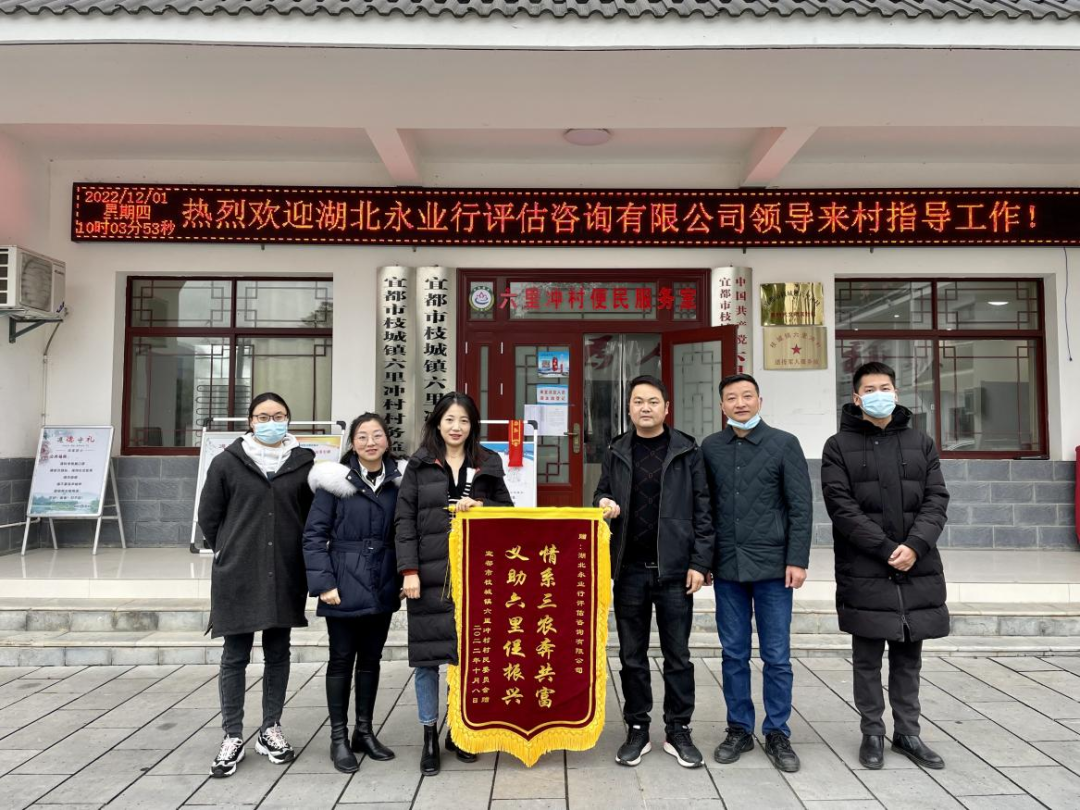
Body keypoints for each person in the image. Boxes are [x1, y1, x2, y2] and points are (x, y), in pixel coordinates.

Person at [821, 361, 950, 771]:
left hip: (917, 565)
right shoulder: (838, 446)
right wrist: (886, 548)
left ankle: (908, 733)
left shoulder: (920, 442)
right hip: (865, 567)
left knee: (909, 656)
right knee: (867, 657)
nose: (879, 394)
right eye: (870, 389)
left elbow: (936, 499)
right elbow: (841, 506)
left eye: (885, 387)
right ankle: (872, 732)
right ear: (857, 398)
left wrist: (915, 546)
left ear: (896, 392)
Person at [593, 375, 714, 769]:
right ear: (629, 408)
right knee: (632, 655)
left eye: (653, 401)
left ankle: (678, 729)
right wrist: (604, 503)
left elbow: (703, 510)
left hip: (675, 571)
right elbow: (600, 493)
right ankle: (637, 728)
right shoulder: (617, 450)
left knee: (678, 655)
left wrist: (700, 563)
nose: (645, 407)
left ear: (666, 408)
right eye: (638, 401)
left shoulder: (687, 451)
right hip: (628, 569)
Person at [395, 392, 514, 776]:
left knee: (467, 657)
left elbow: (509, 514)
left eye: (463, 420)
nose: (456, 427)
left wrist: (483, 508)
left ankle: (459, 730)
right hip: (429, 575)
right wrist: (408, 571)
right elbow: (404, 520)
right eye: (449, 420)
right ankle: (429, 733)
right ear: (437, 423)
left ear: (472, 425)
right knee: (428, 659)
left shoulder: (487, 463)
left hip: (476, 575)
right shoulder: (419, 464)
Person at [198, 392, 315, 778]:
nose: (271, 423)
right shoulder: (227, 462)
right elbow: (208, 516)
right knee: (235, 653)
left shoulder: (302, 462)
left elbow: (310, 516)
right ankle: (232, 734)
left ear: (289, 420)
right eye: (263, 417)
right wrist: (229, 550)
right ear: (250, 421)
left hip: (285, 569)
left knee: (278, 650)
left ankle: (270, 729)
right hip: (238, 571)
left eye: (279, 416)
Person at [701, 373, 812, 774]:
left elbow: (800, 506)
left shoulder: (784, 443)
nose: (740, 403)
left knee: (776, 655)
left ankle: (777, 731)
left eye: (747, 396)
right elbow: (704, 509)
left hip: (774, 568)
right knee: (733, 653)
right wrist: (704, 560)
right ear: (722, 406)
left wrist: (797, 559)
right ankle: (739, 729)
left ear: (760, 401)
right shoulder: (711, 448)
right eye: (731, 397)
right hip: (728, 566)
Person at [303, 413, 404, 773]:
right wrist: (324, 583)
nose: (370, 442)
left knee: (372, 660)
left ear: (388, 441)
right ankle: (338, 738)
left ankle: (364, 731)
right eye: (362, 436)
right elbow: (314, 536)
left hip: (383, 580)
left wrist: (404, 574)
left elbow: (406, 532)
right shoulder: (335, 482)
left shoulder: (399, 482)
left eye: (377, 435)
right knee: (342, 659)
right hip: (343, 581)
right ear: (353, 443)